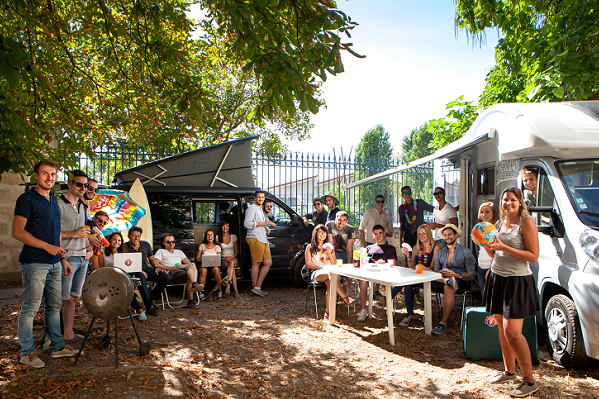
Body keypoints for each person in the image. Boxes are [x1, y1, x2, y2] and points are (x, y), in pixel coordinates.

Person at [12, 160, 77, 368]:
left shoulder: (53, 200)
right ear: (36, 176)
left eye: (53, 174)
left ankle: (56, 346)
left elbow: (55, 233)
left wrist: (62, 259)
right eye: (45, 173)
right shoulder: (26, 199)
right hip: (34, 262)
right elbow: (18, 232)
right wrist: (46, 247)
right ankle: (27, 353)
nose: (50, 178)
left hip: (54, 263)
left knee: (54, 306)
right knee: (30, 308)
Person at [484, 187, 539, 398]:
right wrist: (485, 244)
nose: (508, 203)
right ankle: (509, 372)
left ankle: (530, 381)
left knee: (513, 333)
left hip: (517, 282)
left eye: (512, 200)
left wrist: (505, 248)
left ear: (520, 202)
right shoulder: (500, 223)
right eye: (505, 200)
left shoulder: (526, 222)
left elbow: (533, 256)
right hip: (497, 278)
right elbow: (494, 251)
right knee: (501, 327)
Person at [56, 169, 90, 343]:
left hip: (82, 257)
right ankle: (50, 338)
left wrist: (90, 244)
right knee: (60, 299)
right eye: (79, 184)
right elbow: (52, 234)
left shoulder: (84, 206)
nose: (83, 188)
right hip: (67, 257)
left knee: (73, 298)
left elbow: (83, 233)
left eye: (85, 185)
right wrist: (74, 234)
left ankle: (68, 333)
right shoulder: (58, 204)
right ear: (69, 184)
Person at [431, 223, 476, 335]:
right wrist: (441, 273)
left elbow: (472, 275)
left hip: (460, 279)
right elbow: (436, 271)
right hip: (442, 279)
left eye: (450, 234)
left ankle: (443, 323)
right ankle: (422, 319)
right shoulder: (440, 253)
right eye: (445, 235)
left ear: (456, 235)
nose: (447, 237)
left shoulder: (465, 252)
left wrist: (456, 275)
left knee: (449, 287)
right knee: (427, 278)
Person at [391, 224, 440, 327]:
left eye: (423, 233)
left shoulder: (436, 247)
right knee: (407, 283)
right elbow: (412, 266)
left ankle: (388, 298)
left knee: (408, 282)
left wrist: (423, 268)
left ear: (428, 234)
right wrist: (408, 255)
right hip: (417, 275)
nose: (421, 236)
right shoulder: (416, 247)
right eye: (419, 234)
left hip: (430, 276)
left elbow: (433, 268)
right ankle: (410, 316)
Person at [305, 225, 354, 321]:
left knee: (331, 282)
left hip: (330, 272)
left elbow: (334, 263)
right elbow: (308, 264)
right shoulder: (310, 247)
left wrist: (330, 252)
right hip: (318, 272)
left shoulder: (329, 246)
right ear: (315, 233)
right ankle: (345, 297)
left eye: (324, 232)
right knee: (332, 274)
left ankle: (327, 313)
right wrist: (322, 267)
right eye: (320, 232)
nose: (323, 234)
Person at [99, 232, 147, 321]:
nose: (117, 242)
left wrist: (140, 270)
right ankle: (140, 310)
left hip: (121, 277)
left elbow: (128, 266)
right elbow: (101, 269)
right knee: (125, 288)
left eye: (119, 240)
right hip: (108, 278)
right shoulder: (103, 253)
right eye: (114, 239)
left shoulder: (122, 252)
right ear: (109, 240)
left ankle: (139, 309)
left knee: (126, 286)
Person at [357, 225, 398, 321]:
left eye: (380, 233)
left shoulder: (391, 248)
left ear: (384, 234)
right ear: (372, 235)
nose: (378, 236)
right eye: (375, 234)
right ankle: (363, 309)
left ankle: (389, 306)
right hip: (370, 272)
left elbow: (394, 265)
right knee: (362, 279)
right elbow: (363, 262)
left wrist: (384, 264)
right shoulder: (369, 247)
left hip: (385, 273)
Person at [123, 226, 167, 315]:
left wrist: (156, 268)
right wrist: (138, 270)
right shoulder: (124, 246)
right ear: (129, 236)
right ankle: (149, 306)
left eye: (138, 236)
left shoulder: (145, 244)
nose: (136, 238)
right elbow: (124, 263)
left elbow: (151, 259)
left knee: (166, 277)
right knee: (140, 276)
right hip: (133, 271)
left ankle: (151, 297)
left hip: (146, 269)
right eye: (134, 236)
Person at [154, 235, 204, 308]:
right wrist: (170, 268)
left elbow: (188, 263)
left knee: (192, 264)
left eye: (173, 241)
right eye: (168, 242)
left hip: (181, 270)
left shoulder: (179, 252)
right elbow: (156, 264)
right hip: (171, 273)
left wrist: (182, 266)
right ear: (164, 243)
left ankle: (194, 283)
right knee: (190, 275)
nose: (171, 243)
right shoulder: (161, 251)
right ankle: (191, 300)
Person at [359, 194, 394, 297]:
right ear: (375, 202)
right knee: (368, 268)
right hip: (369, 244)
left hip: (383, 245)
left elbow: (391, 233)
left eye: (382, 201)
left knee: (381, 266)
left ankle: (376, 291)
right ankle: (368, 290)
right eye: (378, 201)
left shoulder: (387, 216)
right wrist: (365, 244)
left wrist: (384, 234)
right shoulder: (368, 213)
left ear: (384, 203)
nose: (380, 204)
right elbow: (361, 229)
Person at [244, 190, 273, 297]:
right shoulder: (252, 208)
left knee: (268, 262)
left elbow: (261, 222)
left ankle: (257, 287)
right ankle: (254, 288)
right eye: (259, 197)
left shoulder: (259, 208)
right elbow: (247, 223)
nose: (261, 199)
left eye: (262, 197)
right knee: (256, 263)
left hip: (262, 238)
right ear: (255, 198)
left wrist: (265, 227)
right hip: (255, 237)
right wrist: (263, 223)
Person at [398, 185, 434, 260]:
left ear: (411, 193)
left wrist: (448, 209)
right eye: (405, 193)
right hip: (408, 235)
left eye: (408, 193)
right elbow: (402, 225)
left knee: (419, 256)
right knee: (407, 256)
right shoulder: (401, 208)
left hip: (420, 235)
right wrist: (400, 239)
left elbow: (433, 209)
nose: (407, 195)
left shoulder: (420, 203)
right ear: (402, 195)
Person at [473, 202, 498, 295]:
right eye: (482, 212)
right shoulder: (479, 229)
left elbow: (497, 252)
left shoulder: (496, 229)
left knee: (491, 297)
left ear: (494, 213)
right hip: (481, 267)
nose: (484, 215)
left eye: (487, 212)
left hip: (491, 267)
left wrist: (490, 268)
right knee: (484, 297)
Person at [195, 229, 223, 298]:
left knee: (216, 269)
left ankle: (219, 290)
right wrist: (203, 259)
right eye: (208, 235)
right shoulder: (202, 246)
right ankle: (201, 292)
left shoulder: (217, 247)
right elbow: (197, 258)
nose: (209, 236)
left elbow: (218, 258)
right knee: (203, 270)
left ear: (214, 237)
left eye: (211, 234)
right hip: (204, 265)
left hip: (214, 266)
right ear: (205, 237)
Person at [219, 221, 240, 297]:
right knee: (232, 269)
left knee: (232, 263)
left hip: (233, 257)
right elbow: (217, 251)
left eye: (227, 226)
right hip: (224, 259)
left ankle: (228, 285)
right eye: (224, 226)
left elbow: (236, 251)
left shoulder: (233, 236)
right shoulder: (218, 237)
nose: (225, 228)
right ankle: (236, 291)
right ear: (221, 227)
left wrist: (232, 257)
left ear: (229, 227)